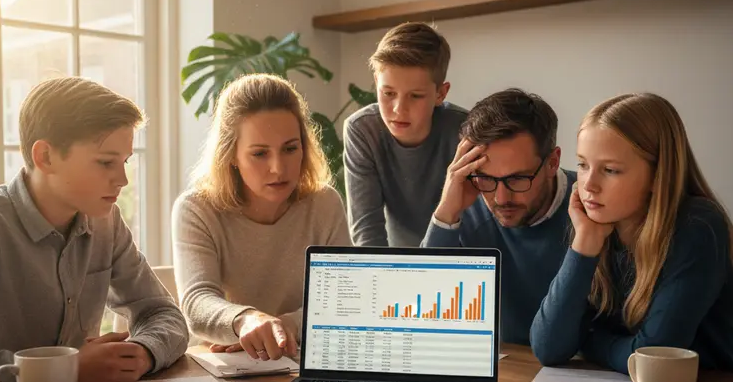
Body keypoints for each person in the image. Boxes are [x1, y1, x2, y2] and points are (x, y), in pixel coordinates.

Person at [0, 77, 189, 382]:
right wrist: (58, 373)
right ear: (45, 157)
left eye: (124, 162)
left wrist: (142, 351)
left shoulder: (106, 222)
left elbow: (162, 313)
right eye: (106, 162)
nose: (123, 179)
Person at [531, 93, 733, 373]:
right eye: (582, 165)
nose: (589, 185)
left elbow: (653, 358)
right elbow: (548, 348)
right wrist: (583, 245)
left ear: (658, 174)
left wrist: (588, 340)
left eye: (610, 170)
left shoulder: (698, 226)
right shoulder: (596, 222)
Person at [173, 73, 350, 361]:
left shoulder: (325, 204)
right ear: (231, 154)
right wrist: (246, 321)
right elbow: (196, 302)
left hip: (302, 360)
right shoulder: (196, 209)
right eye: (259, 154)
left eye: (290, 149)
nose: (278, 168)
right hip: (225, 368)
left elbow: (344, 299)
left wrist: (286, 326)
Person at [422, 88, 576, 344]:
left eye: (517, 179)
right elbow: (425, 310)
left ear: (552, 162)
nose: (501, 199)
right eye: (487, 178)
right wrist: (446, 213)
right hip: (508, 368)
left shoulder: (591, 207)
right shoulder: (466, 203)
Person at [343, 21, 467, 246]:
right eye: (388, 93)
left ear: (441, 93)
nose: (399, 109)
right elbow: (367, 232)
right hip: (393, 266)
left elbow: (476, 228)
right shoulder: (363, 130)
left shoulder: (464, 131)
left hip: (454, 262)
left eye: (416, 96)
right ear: (376, 84)